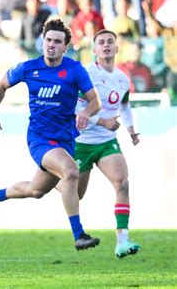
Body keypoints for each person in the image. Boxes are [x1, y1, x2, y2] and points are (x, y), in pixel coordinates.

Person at [0, 18, 102, 251]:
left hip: (65, 140)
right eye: (48, 40)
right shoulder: (29, 68)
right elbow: (1, 85)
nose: (51, 45)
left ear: (65, 47)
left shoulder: (74, 69)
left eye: (57, 42)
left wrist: (86, 112)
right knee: (70, 172)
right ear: (43, 42)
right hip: (40, 139)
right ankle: (79, 235)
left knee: (36, 190)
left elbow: (95, 101)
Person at [64, 29, 141, 258]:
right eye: (101, 42)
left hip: (107, 142)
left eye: (110, 42)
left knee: (122, 183)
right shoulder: (87, 74)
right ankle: (58, 182)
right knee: (77, 195)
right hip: (82, 142)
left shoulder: (122, 78)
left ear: (117, 48)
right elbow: (75, 108)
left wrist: (130, 129)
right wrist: (101, 120)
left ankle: (122, 241)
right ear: (95, 49)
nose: (106, 45)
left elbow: (124, 106)